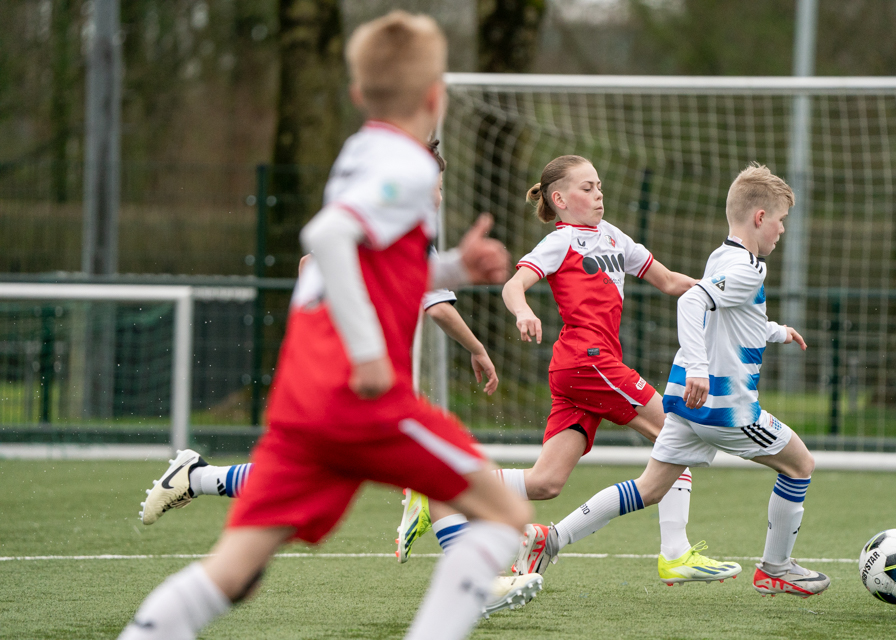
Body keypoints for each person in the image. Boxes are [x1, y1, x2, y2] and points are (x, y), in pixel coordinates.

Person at [117, 12, 540, 640]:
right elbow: (328, 238)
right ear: (435, 97)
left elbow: (361, 263)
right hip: (359, 395)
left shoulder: (359, 153)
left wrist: (453, 266)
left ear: (357, 96)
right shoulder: (414, 168)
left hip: (304, 394)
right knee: (504, 515)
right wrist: (369, 354)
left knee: (234, 569)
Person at [400, 155, 741, 588]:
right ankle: (674, 554)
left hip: (582, 371)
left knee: (545, 482)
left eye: (599, 185)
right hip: (589, 361)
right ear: (559, 199)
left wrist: (724, 293)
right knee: (678, 435)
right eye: (586, 187)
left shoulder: (615, 238)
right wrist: (523, 312)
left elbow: (671, 281)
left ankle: (443, 488)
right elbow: (513, 284)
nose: (598, 193)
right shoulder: (560, 242)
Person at [527, 162, 830, 598]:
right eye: (781, 221)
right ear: (760, 218)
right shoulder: (744, 268)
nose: (783, 231)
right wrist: (700, 368)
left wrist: (775, 332)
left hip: (683, 403)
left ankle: (551, 539)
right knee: (800, 464)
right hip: (727, 407)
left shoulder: (725, 256)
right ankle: (776, 568)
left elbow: (730, 321)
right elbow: (692, 302)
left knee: (649, 488)